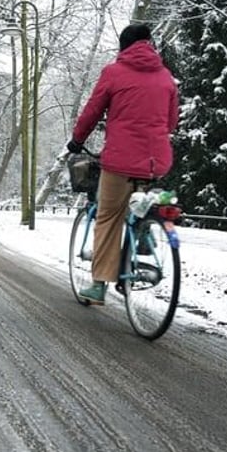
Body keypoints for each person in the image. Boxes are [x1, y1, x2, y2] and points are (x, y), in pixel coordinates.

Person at [66, 23, 178, 305]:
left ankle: (99, 284)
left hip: (121, 160)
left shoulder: (114, 73)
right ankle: (141, 233)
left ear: (123, 46)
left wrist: (77, 140)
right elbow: (172, 121)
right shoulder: (166, 77)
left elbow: (92, 111)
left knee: (108, 216)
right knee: (139, 203)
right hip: (156, 160)